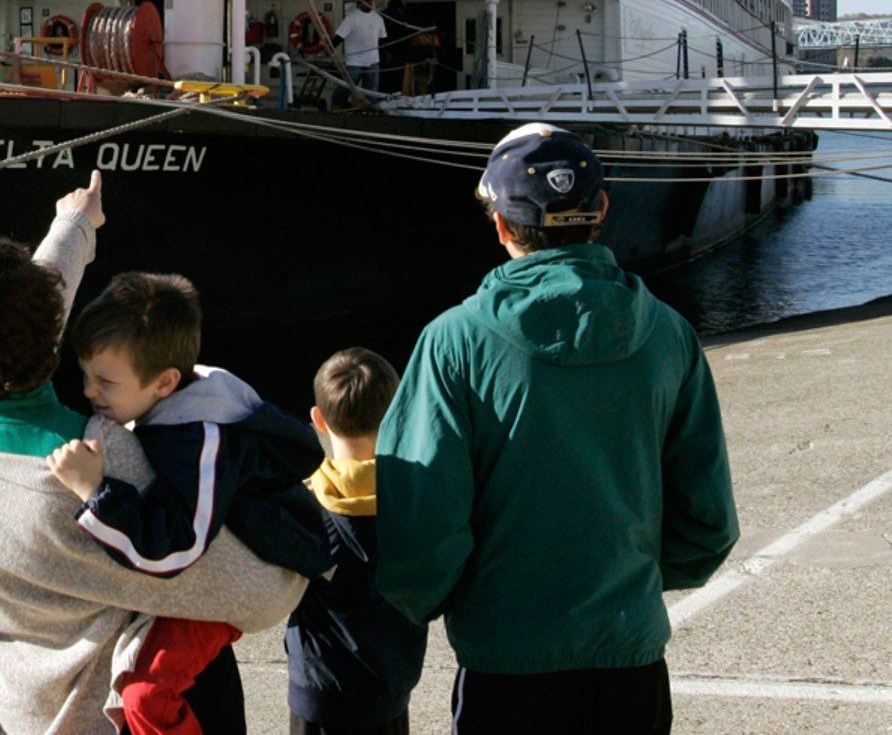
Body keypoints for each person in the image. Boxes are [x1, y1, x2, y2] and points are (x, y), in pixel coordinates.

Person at [375, 124, 739, 734]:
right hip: (631, 657)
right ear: (601, 207)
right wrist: (629, 577)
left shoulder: (453, 342)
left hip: (506, 663)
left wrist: (449, 599)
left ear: (501, 225)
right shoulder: (669, 333)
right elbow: (708, 522)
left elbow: (422, 530)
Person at [0, 171, 306, 735]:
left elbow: (21, 314)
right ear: (52, 331)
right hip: (105, 716)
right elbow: (259, 593)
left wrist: (74, 225)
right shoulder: (104, 462)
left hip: (9, 704)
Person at [47, 272, 331, 735]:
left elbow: (178, 545)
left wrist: (94, 493)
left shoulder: (200, 438)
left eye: (104, 381)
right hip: (234, 556)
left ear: (165, 383)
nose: (88, 391)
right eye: (84, 374)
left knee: (145, 695)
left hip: (255, 575)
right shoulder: (183, 403)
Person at [285, 347, 426, 735]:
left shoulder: (303, 505)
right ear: (400, 413)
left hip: (318, 691)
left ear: (319, 419)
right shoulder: (417, 502)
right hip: (389, 689)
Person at [332, 0, 386, 101]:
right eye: (367, 2)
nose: (369, 4)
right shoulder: (352, 18)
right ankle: (336, 101)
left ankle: (370, 109)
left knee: (372, 87)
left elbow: (382, 38)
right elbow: (340, 36)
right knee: (350, 85)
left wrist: (385, 56)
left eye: (371, 2)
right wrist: (330, 48)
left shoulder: (378, 18)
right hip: (354, 60)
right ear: (360, 3)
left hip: (373, 59)